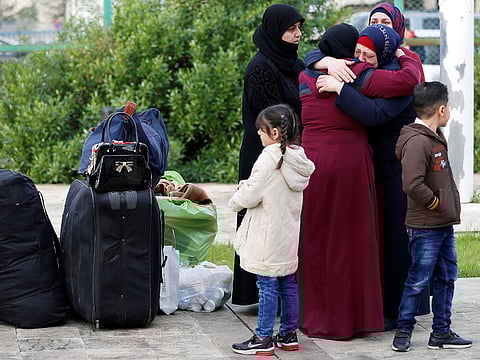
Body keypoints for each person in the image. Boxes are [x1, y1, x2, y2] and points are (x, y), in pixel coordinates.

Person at [299, 23, 420, 339]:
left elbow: (306, 62)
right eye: (356, 51)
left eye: (367, 52)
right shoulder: (358, 74)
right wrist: (327, 62)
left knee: (319, 240)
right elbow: (406, 83)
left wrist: (326, 66)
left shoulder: (318, 76)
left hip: (336, 166)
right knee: (351, 244)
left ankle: (318, 315)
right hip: (355, 166)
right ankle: (353, 316)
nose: (361, 57)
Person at [392, 81, 472, 352]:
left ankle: (441, 332)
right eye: (447, 106)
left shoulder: (435, 137)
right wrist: (437, 203)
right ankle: (403, 330)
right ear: (441, 109)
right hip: (425, 226)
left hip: (443, 224)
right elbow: (411, 184)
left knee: (447, 277)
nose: (448, 111)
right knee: (418, 280)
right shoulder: (417, 142)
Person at [233, 4, 305, 306]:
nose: (298, 34)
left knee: (281, 227)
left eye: (300, 28)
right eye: (291, 29)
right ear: (276, 31)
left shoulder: (294, 63)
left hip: (286, 152)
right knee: (263, 224)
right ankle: (258, 294)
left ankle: (281, 295)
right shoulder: (261, 67)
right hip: (265, 154)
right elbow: (273, 118)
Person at [229, 104, 315, 356]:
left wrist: (235, 199)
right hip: (287, 233)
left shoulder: (270, 157)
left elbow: (253, 192)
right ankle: (288, 334)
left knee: (266, 285)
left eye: (262, 130)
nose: (258, 133)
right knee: (288, 282)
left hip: (267, 233)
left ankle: (263, 337)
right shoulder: (297, 156)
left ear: (275, 133)